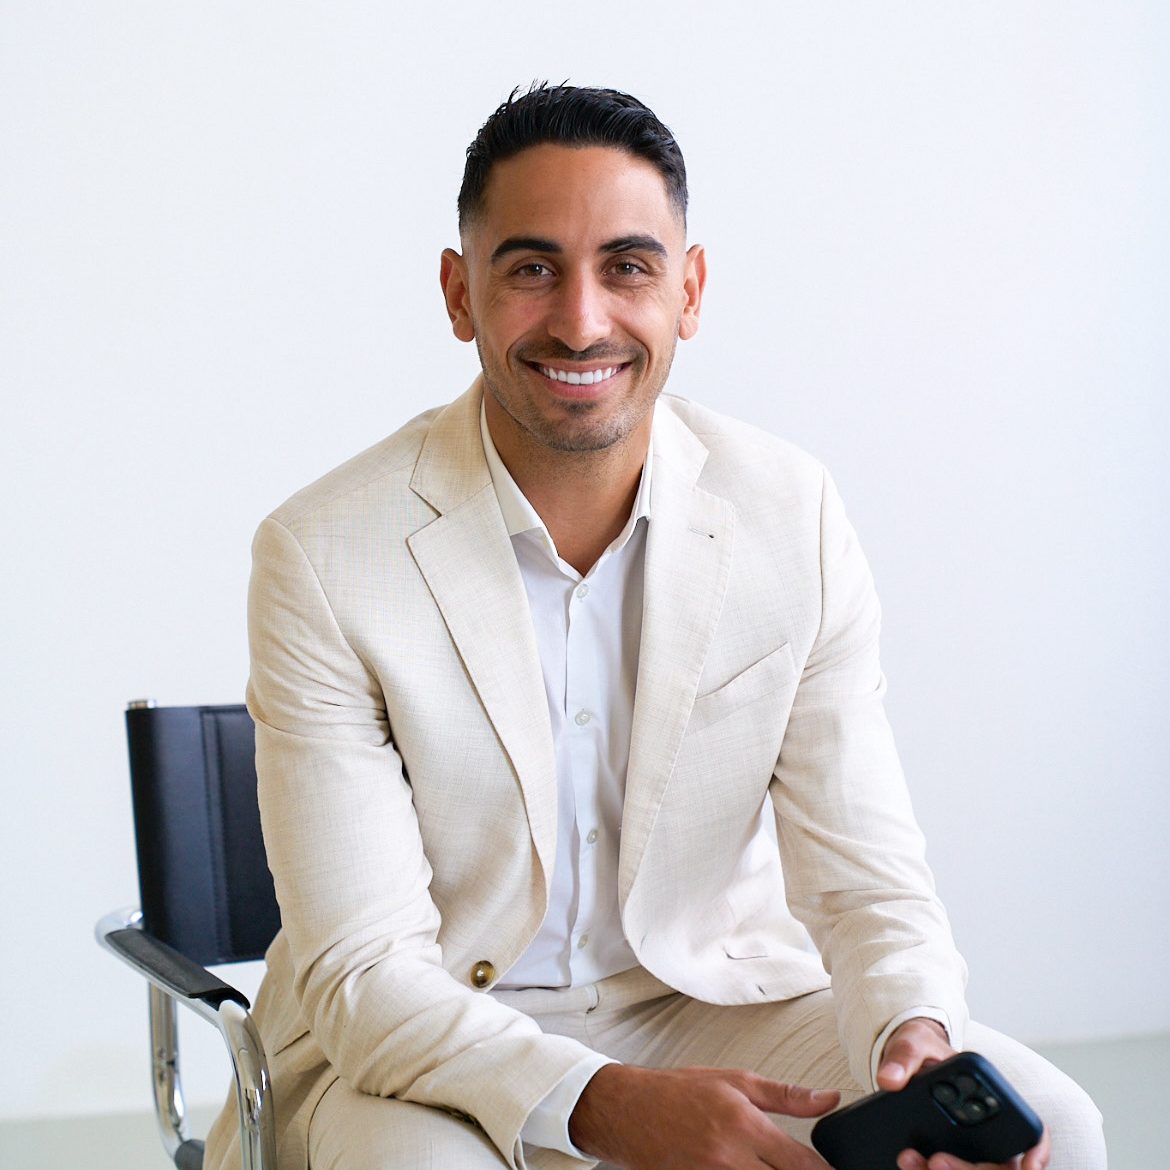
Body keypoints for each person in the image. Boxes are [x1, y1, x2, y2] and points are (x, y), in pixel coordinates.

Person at [206, 84, 1105, 1170]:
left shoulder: (791, 514)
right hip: (420, 1040)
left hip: (707, 1003)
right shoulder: (324, 554)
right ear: (459, 292)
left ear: (690, 290)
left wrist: (911, 1035)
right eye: (531, 269)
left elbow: (865, 879)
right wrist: (609, 1104)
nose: (582, 320)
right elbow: (366, 976)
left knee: (1056, 1128)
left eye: (628, 266)